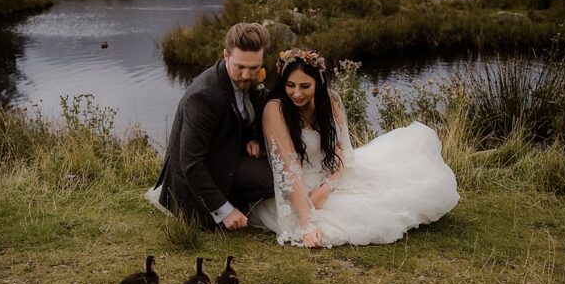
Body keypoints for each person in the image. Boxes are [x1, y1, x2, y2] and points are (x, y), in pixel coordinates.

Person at [248, 48, 460, 248]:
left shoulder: (329, 101)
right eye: (290, 85)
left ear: (318, 83)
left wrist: (327, 187)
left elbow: (342, 151)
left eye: (305, 86)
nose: (296, 93)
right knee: (343, 222)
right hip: (294, 187)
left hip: (330, 175)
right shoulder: (275, 109)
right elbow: (289, 170)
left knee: (395, 198)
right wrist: (307, 224)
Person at [145, 23, 275, 230]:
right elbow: (190, 163)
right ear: (226, 55)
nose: (246, 76)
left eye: (254, 68)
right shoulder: (203, 97)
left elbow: (248, 111)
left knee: (280, 169)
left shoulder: (244, 79)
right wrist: (225, 210)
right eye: (240, 67)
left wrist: (254, 137)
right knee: (273, 179)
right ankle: (227, 202)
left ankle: (238, 196)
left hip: (226, 155)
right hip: (198, 174)